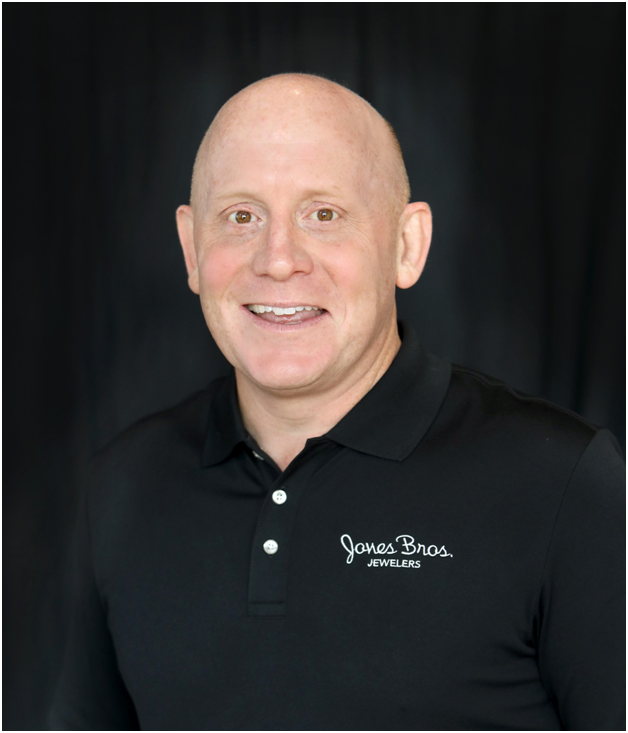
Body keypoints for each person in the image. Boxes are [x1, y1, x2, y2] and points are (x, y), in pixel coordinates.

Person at [48, 73, 625, 731]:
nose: (278, 260)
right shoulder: (123, 484)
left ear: (406, 245)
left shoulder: (564, 484)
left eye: (323, 214)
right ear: (191, 248)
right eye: (241, 216)